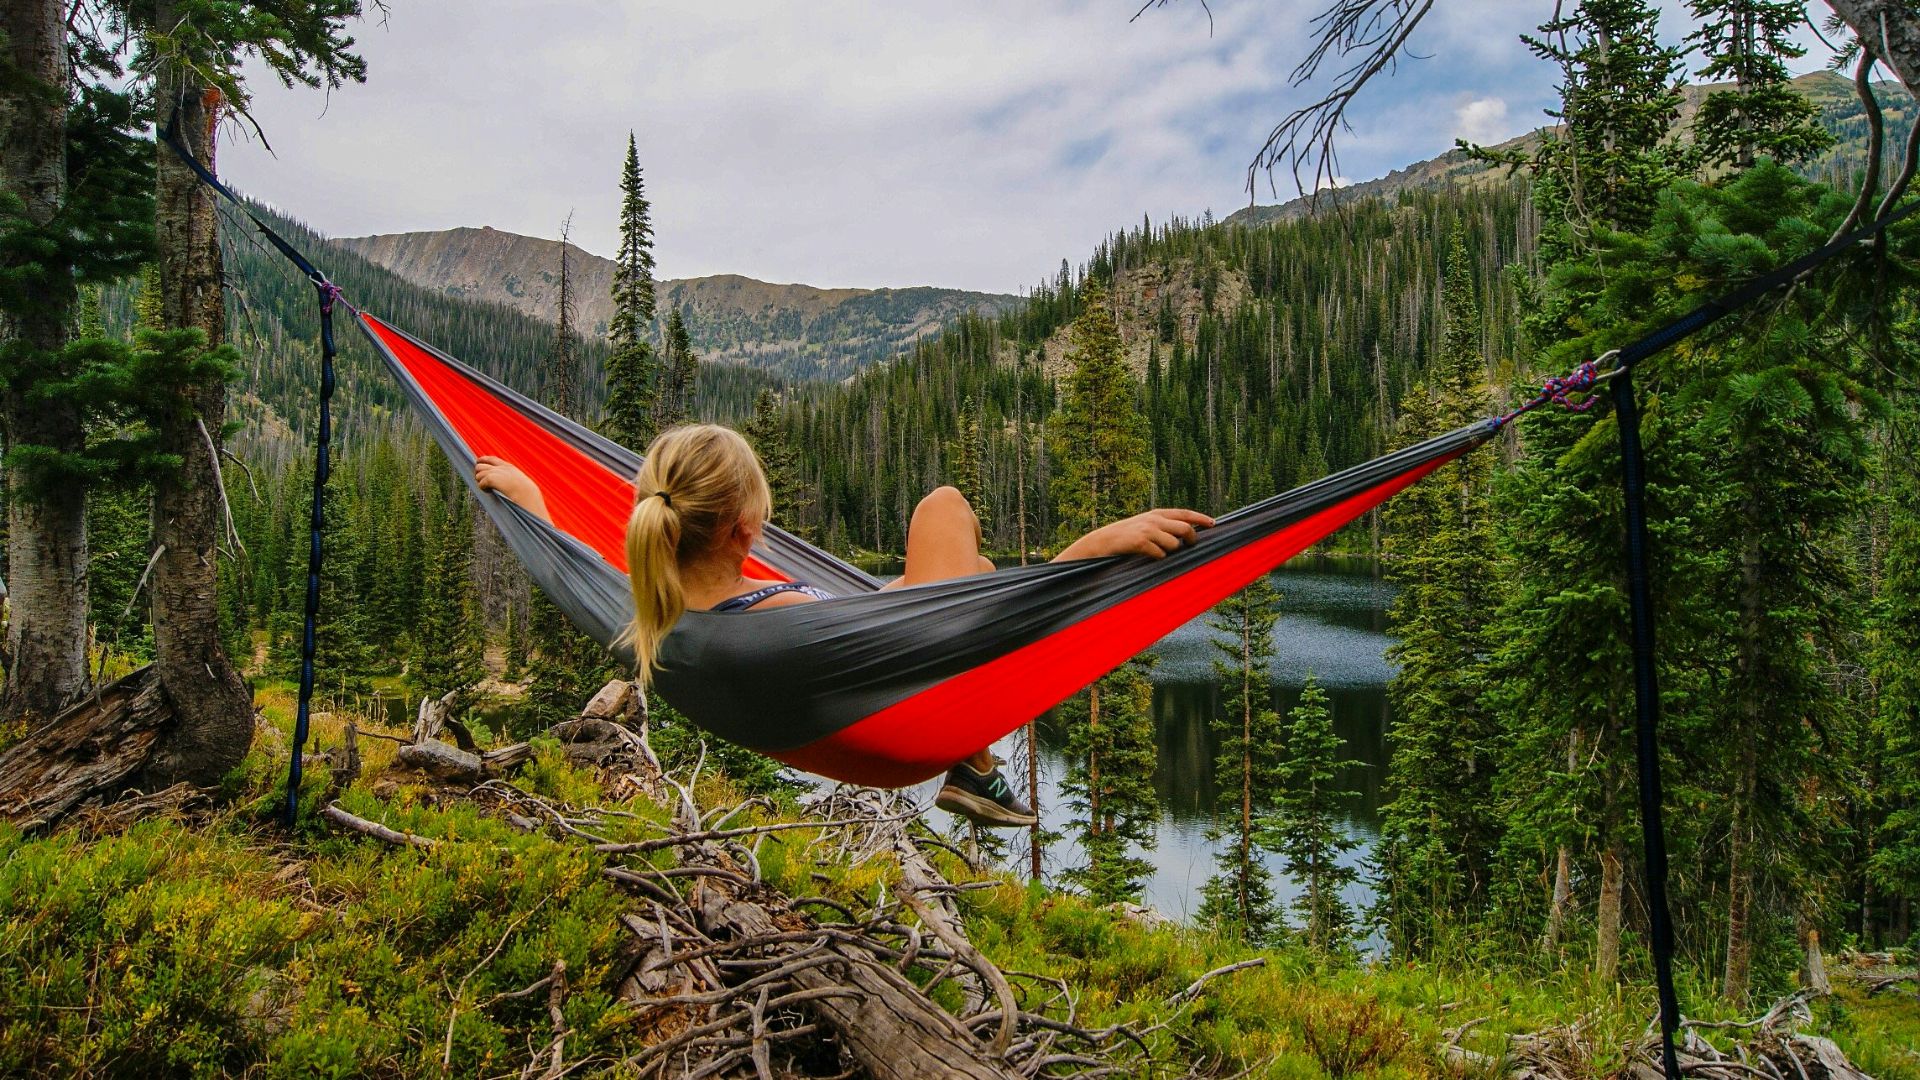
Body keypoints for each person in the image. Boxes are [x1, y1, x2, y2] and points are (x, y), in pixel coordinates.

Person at [475, 423, 1213, 828]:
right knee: (944, 507)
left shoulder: (648, 612)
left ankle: (980, 768)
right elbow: (967, 641)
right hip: (902, 729)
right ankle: (975, 765)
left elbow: (574, 567)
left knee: (977, 570)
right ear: (743, 528)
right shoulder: (780, 625)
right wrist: (1086, 555)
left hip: (852, 687)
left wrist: (533, 501)